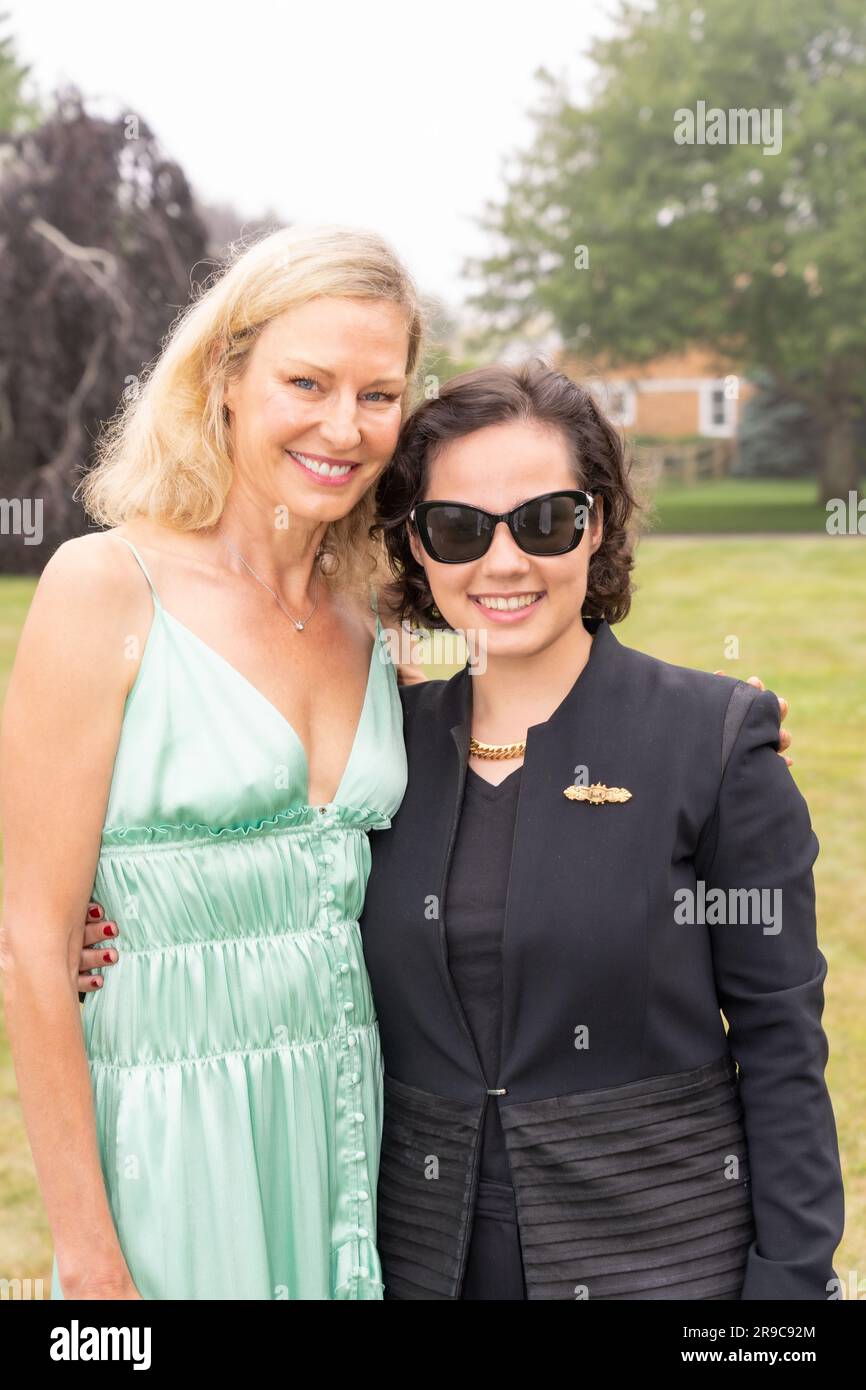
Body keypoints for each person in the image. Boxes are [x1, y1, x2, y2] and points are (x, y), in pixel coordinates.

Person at [358, 360, 844, 1300]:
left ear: (601, 522)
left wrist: (785, 1305)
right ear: (417, 549)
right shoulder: (378, 753)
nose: (503, 563)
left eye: (544, 520)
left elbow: (784, 1045)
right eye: (458, 528)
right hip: (415, 1265)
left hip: (664, 1265)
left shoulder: (714, 741)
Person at [0, 223, 423, 1299]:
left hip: (347, 1121)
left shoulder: (377, 610)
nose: (344, 425)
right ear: (226, 377)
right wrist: (90, 1253)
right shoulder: (107, 587)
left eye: (379, 393)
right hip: (168, 1139)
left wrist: (714, 737)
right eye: (306, 382)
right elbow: (30, 948)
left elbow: (535, 725)